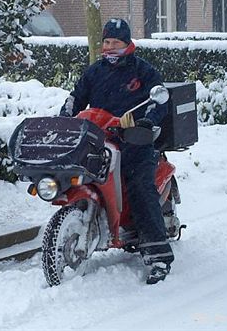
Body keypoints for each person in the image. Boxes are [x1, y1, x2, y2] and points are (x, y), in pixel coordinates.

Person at [59, 18, 174, 284]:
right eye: (107, 42)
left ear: (127, 44)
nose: (110, 48)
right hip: (99, 138)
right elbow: (77, 96)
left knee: (140, 188)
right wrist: (67, 111)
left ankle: (158, 257)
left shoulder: (142, 71)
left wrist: (147, 121)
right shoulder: (95, 71)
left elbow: (159, 99)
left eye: (116, 43)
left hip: (134, 140)